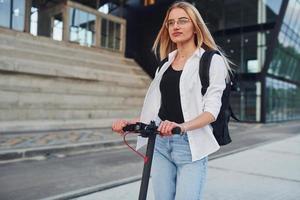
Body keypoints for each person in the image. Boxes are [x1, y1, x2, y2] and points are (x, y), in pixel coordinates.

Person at [112, 1, 231, 199]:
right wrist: (132, 122)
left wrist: (182, 126)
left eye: (183, 21)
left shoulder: (211, 60)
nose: (176, 26)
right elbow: (158, 111)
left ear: (195, 26)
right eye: (171, 23)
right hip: (160, 144)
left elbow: (211, 112)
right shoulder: (164, 65)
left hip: (190, 147)